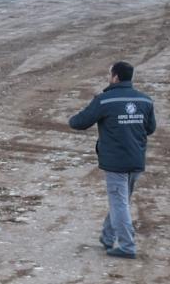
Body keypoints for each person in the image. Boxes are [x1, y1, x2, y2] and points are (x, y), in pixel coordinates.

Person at [67, 60, 159, 260]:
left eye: (110, 74)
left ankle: (127, 246)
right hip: (136, 159)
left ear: (115, 76)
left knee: (119, 203)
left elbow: (79, 122)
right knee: (121, 201)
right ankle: (108, 237)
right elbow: (150, 129)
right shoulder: (145, 100)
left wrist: (72, 118)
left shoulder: (105, 100)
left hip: (116, 162)